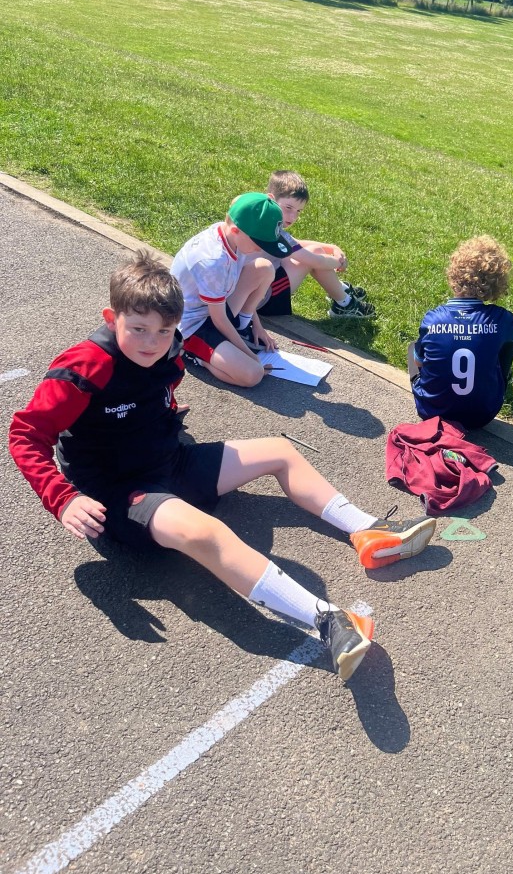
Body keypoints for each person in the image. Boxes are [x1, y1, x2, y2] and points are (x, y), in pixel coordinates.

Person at [8, 252, 437, 681]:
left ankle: (368, 529)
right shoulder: (84, 367)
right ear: (111, 317)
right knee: (205, 533)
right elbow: (25, 435)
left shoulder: (171, 348)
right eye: (138, 329)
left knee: (280, 451)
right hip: (121, 491)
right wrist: (63, 499)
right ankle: (328, 620)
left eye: (163, 330)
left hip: (170, 461)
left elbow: (155, 392)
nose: (151, 342)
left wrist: (164, 416)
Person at [170, 192, 295, 389]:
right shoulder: (213, 261)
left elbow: (228, 294)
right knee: (253, 374)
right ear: (237, 230)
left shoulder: (231, 235)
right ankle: (195, 355)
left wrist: (257, 326)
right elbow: (219, 319)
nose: (261, 249)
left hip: (213, 309)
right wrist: (251, 355)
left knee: (264, 268)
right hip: (192, 326)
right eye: (259, 243)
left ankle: (239, 329)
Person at [409, 236, 513, 431]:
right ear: (496, 283)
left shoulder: (433, 318)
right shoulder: (499, 318)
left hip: (432, 413)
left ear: (454, 275)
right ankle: (502, 377)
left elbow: (419, 363)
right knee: (512, 333)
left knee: (413, 348)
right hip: (482, 416)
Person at [256, 170, 376, 320]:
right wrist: (338, 262)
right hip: (262, 301)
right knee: (315, 253)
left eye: (299, 211)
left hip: (254, 291)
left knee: (309, 252)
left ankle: (340, 289)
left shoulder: (261, 218)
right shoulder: (271, 230)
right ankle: (345, 304)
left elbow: (293, 243)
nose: (293, 217)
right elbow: (315, 260)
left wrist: (332, 247)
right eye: (288, 208)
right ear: (271, 199)